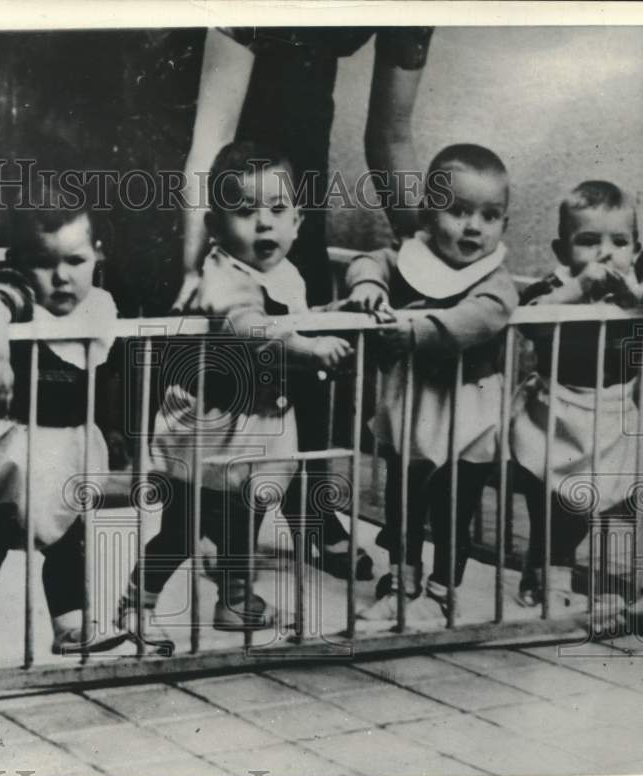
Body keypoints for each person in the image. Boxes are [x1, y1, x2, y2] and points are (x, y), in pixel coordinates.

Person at [171, 27, 434, 582]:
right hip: (207, 154)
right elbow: (210, 137)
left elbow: (392, 137)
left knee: (303, 327)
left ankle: (306, 508)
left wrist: (430, 256)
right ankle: (205, 518)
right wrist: (194, 263)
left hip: (298, 152)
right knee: (220, 342)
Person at [116, 142, 355, 645]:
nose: (263, 224)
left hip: (262, 420)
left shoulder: (287, 275)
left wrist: (341, 313)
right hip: (214, 424)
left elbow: (296, 320)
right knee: (184, 524)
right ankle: (139, 599)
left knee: (249, 512)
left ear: (298, 221)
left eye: (277, 210)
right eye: (245, 211)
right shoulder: (222, 274)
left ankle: (234, 596)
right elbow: (249, 325)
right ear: (215, 225)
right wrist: (307, 347)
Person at [0, 193, 130, 670]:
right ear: (19, 264)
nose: (62, 276)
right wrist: (0, 357)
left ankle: (70, 625)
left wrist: (113, 427)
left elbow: (105, 372)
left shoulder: (102, 306)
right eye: (44, 263)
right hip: (14, 444)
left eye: (76, 260)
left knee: (70, 538)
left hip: (68, 441)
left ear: (98, 256)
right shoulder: (21, 298)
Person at [343, 144, 519, 619]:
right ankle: (402, 581)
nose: (473, 226)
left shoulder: (496, 280)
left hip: (470, 410)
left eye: (490, 215)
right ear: (427, 214)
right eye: (458, 211)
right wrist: (369, 286)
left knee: (454, 509)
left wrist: (416, 330)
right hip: (414, 402)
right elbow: (368, 261)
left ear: (504, 224)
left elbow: (481, 317)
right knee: (404, 499)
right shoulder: (412, 258)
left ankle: (444, 588)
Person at [510, 180, 643, 608]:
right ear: (562, 251)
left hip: (613, 411)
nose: (606, 252)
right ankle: (553, 580)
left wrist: (638, 294)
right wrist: (579, 289)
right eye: (588, 241)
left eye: (620, 241)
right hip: (557, 409)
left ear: (636, 248)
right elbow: (528, 320)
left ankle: (543, 570)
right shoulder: (556, 285)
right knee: (555, 499)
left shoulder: (639, 276)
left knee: (589, 501)